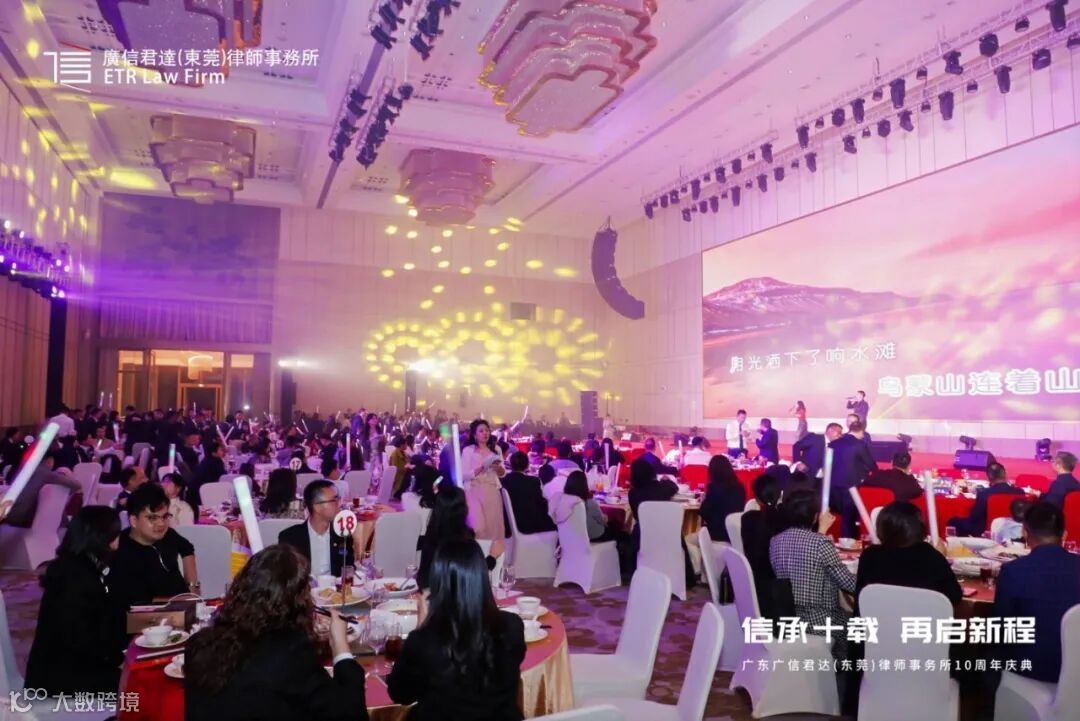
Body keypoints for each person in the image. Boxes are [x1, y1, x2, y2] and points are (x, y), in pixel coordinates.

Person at [185, 544, 368, 721]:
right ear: (297, 601)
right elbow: (351, 714)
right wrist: (340, 647)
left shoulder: (199, 644)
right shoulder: (292, 654)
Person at [388, 538, 524, 721]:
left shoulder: (425, 641)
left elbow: (400, 694)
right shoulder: (512, 626)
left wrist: (421, 627)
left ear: (438, 584)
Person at [24, 506, 126, 695]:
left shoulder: (80, 564)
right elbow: (80, 637)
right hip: (62, 677)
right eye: (116, 534)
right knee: (142, 685)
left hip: (74, 663)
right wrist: (118, 659)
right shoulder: (75, 576)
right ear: (103, 537)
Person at [994, 502, 1080, 683]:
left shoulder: (1013, 571)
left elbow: (1000, 629)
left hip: (1029, 671)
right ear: (1064, 534)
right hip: (1075, 671)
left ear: (1025, 533)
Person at [769, 489, 855, 657]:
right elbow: (848, 583)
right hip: (819, 619)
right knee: (857, 625)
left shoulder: (775, 541)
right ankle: (839, 668)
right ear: (815, 516)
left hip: (786, 616)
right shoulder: (820, 543)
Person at [855, 502, 962, 608]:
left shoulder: (870, 555)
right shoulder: (930, 555)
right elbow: (954, 597)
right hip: (921, 618)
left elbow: (861, 596)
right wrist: (941, 557)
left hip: (877, 618)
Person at [109, 483, 199, 608]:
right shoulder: (122, 550)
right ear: (133, 521)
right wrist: (181, 601)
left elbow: (187, 549)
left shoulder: (167, 535)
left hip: (183, 607)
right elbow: (138, 601)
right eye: (153, 518)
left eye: (164, 517)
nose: (161, 524)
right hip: (150, 615)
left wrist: (192, 588)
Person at [416, 485, 502, 591]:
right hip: (448, 596)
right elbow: (472, 573)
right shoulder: (461, 540)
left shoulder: (432, 535)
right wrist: (493, 556)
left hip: (426, 591)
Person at [278, 480, 359, 577]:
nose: (339, 504)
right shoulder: (290, 538)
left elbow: (348, 568)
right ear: (317, 507)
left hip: (334, 586)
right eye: (334, 500)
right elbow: (287, 576)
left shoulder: (342, 534)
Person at [741, 473, 786, 620]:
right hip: (780, 589)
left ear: (756, 498)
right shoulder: (785, 521)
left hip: (755, 584)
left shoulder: (747, 519)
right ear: (779, 495)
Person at [0, 452, 81, 527]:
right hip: (21, 518)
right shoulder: (46, 473)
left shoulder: (25, 470)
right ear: (50, 460)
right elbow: (77, 485)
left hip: (9, 513)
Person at [827, 420, 878, 537]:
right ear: (861, 431)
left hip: (832, 484)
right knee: (848, 518)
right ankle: (847, 542)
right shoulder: (859, 444)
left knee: (834, 515)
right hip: (851, 486)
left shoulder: (834, 443)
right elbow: (870, 464)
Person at [946, 462, 1023, 537]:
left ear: (989, 477)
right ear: (1005, 474)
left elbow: (974, 518)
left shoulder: (984, 494)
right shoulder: (1020, 492)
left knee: (953, 521)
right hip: (1013, 529)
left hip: (985, 530)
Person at [459, 420, 506, 541]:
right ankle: (476, 551)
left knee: (493, 526)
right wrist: (481, 468)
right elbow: (463, 475)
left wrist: (498, 468)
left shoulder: (496, 449)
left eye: (487, 430)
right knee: (477, 528)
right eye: (481, 431)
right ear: (474, 435)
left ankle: (493, 552)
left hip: (492, 492)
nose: (485, 433)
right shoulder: (468, 450)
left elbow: (502, 474)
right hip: (473, 492)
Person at [500, 451, 556, 534]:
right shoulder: (533, 482)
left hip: (507, 525)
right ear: (527, 465)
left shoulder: (503, 480)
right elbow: (540, 504)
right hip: (527, 525)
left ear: (511, 464)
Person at [550, 470, 611, 542]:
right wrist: (606, 518)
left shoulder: (561, 501)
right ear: (585, 485)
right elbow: (603, 522)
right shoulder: (589, 502)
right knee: (616, 529)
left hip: (571, 537)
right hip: (593, 536)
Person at [698, 455, 746, 542]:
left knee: (688, 540)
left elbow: (704, 513)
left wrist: (704, 501)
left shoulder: (713, 487)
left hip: (717, 535)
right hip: (736, 534)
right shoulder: (740, 487)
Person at [190, 440, 227, 510]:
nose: (223, 452)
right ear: (213, 452)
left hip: (195, 493)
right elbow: (223, 478)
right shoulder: (216, 462)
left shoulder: (205, 460)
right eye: (220, 450)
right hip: (206, 493)